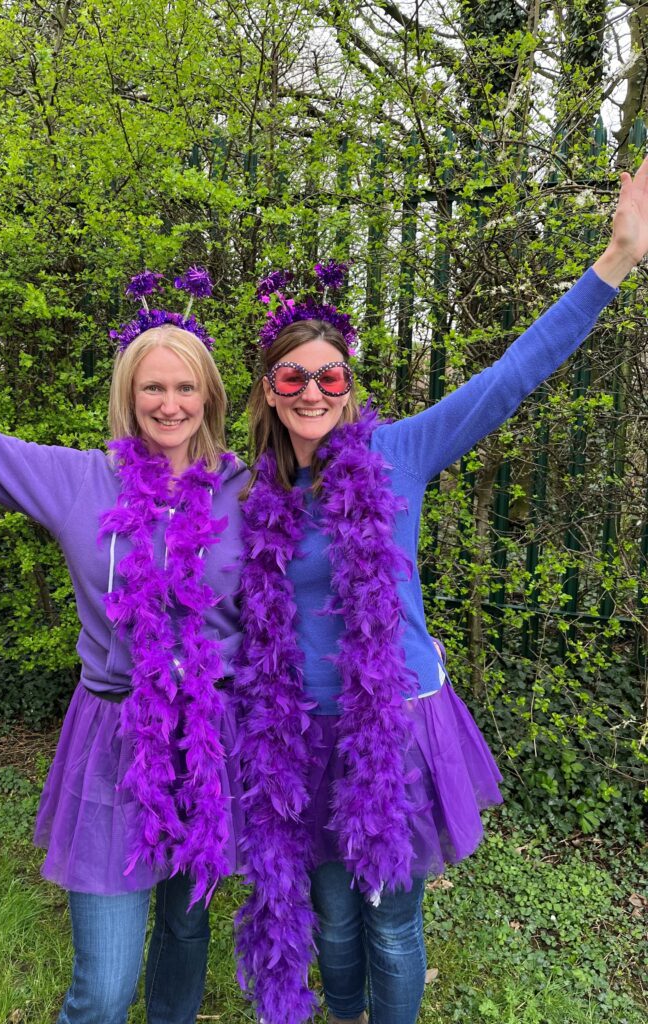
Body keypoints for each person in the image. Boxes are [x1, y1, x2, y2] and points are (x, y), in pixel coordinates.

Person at [233, 159, 648, 1024]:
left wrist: (615, 260)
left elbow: (513, 375)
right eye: (293, 379)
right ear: (270, 395)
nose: (313, 391)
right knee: (336, 925)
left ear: (349, 387)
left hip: (394, 726)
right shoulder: (248, 494)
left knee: (390, 923)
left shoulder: (401, 455)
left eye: (330, 376)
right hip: (295, 737)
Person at [0, 269, 248, 1024]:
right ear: (128, 394)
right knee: (105, 986)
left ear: (209, 396)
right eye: (152, 388)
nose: (169, 404)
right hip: (117, 737)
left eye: (185, 388)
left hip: (210, 742)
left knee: (184, 926)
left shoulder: (249, 491)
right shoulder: (80, 481)